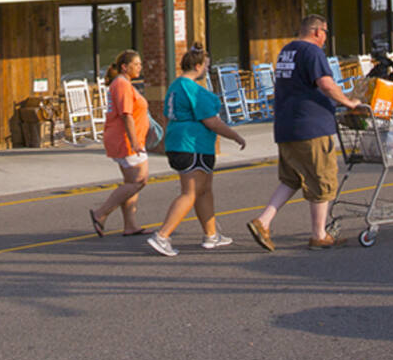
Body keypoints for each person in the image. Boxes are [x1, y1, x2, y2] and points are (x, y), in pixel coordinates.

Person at [247, 14, 361, 251]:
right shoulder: (313, 52)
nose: (325, 38)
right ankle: (319, 235)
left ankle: (263, 221)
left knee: (292, 178)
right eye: (326, 33)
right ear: (317, 32)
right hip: (311, 128)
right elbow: (326, 84)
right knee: (323, 180)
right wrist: (349, 103)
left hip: (287, 126)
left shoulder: (287, 51)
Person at [146, 43, 247, 257]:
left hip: (178, 142)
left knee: (204, 189)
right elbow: (211, 121)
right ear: (199, 66)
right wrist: (235, 135)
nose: (207, 70)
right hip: (194, 145)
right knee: (190, 192)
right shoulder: (194, 90)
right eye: (206, 66)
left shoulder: (175, 86)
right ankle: (162, 235)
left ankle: (211, 235)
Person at [89, 49, 151, 237]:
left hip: (125, 139)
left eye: (140, 63)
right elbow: (126, 114)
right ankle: (101, 213)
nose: (140, 66)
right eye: (136, 63)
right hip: (126, 140)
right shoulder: (122, 84)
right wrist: (134, 141)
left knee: (131, 182)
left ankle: (130, 225)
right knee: (140, 180)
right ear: (125, 67)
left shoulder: (122, 84)